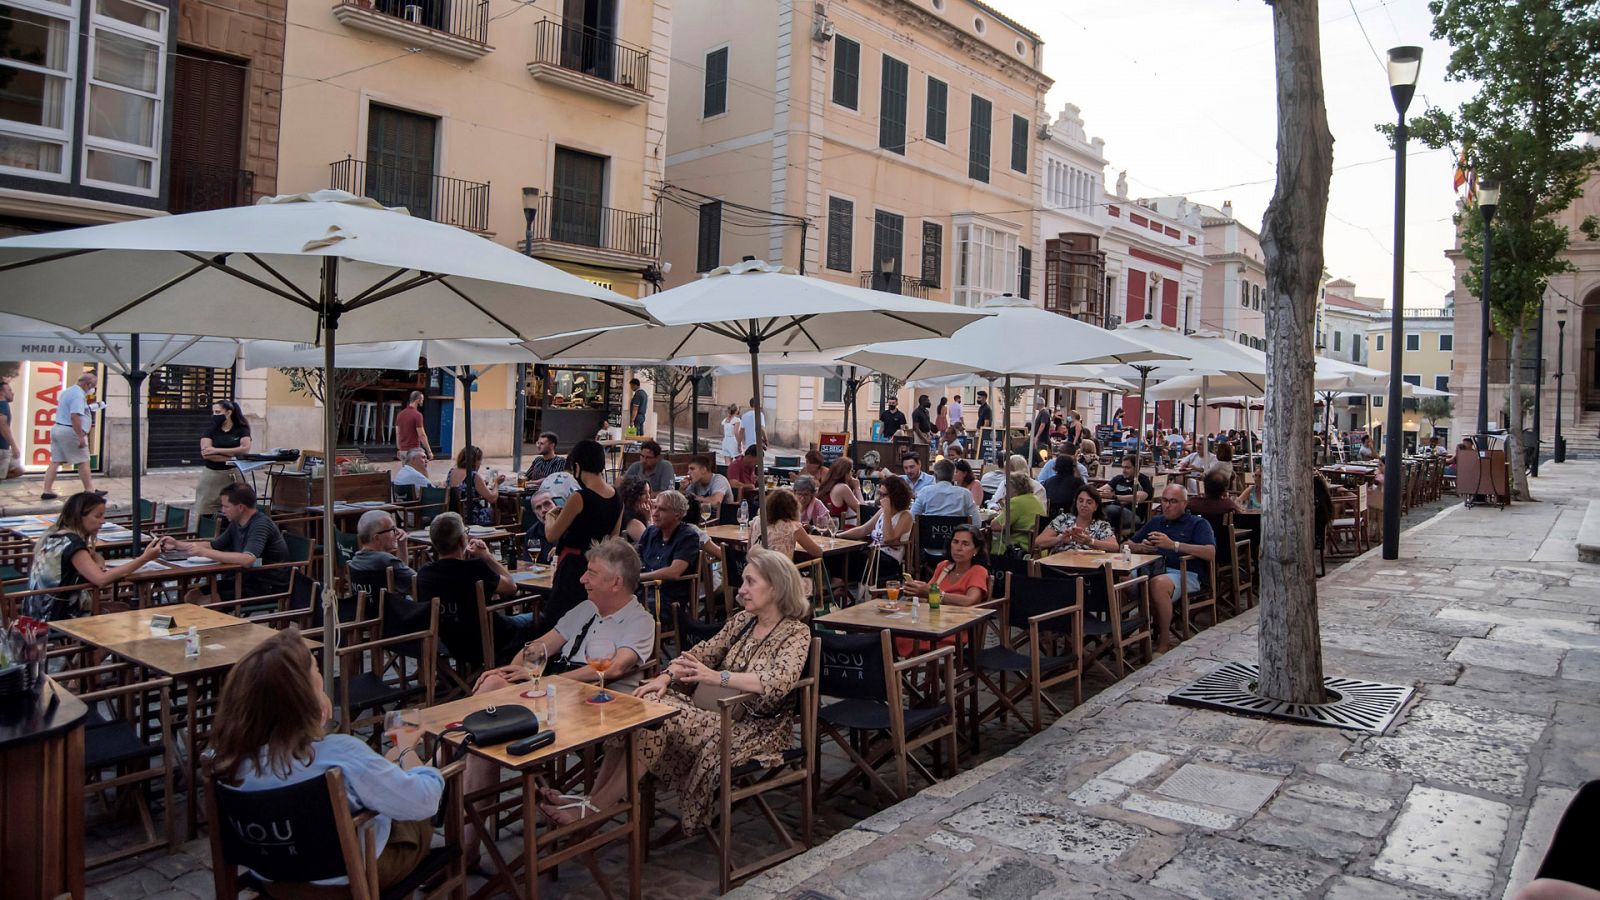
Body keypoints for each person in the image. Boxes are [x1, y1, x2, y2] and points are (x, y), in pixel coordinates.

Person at [536, 548, 810, 834]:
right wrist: (665, 677)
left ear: (776, 588)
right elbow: (700, 653)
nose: (741, 590)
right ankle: (591, 799)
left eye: (750, 582)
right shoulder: (743, 621)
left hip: (753, 730)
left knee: (658, 719)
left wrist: (719, 677)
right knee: (641, 704)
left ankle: (595, 809)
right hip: (713, 714)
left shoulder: (795, 633)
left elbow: (780, 681)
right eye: (742, 581)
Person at [209, 628, 444, 892]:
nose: (322, 678)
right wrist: (416, 761)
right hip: (349, 881)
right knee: (413, 811)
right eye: (317, 671)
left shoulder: (228, 763)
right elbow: (425, 802)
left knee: (382, 787)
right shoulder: (340, 753)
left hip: (276, 882)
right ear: (303, 693)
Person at [25, 492, 164, 620]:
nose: (102, 521)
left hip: (36, 609)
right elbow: (101, 580)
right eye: (98, 516)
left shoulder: (54, 534)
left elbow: (94, 558)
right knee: (129, 614)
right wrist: (144, 558)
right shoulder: (73, 543)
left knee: (119, 608)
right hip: (58, 614)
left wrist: (97, 560)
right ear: (79, 517)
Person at [417, 511, 526, 664]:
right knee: (538, 619)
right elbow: (511, 587)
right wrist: (487, 556)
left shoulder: (424, 573)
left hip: (444, 641)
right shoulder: (475, 569)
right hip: (485, 638)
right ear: (463, 540)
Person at [541, 438, 622, 632]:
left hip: (572, 568)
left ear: (577, 466)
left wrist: (550, 516)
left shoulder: (579, 497)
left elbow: (552, 535)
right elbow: (614, 540)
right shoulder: (617, 497)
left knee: (557, 623)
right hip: (598, 569)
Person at [164, 483, 291, 604]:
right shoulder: (237, 522)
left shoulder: (260, 525)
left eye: (226, 506)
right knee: (191, 596)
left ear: (240, 507)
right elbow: (214, 545)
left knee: (206, 602)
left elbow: (248, 559)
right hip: (242, 579)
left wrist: (205, 553)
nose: (222, 510)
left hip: (266, 585)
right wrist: (177, 544)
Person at [1130, 484, 1216, 653]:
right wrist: (1141, 547)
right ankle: (1123, 637)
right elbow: (1127, 543)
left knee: (1158, 584)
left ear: (1185, 503)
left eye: (1173, 501)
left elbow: (1210, 552)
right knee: (1121, 579)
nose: (1167, 505)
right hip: (1150, 569)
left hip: (1184, 573)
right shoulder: (1156, 521)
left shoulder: (1198, 523)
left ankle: (1163, 643)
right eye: (1164, 500)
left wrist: (1174, 545)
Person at [636, 489, 702, 613]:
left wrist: (640, 577)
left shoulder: (688, 536)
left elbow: (674, 572)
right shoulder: (651, 532)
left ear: (677, 514)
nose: (655, 513)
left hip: (668, 598)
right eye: (654, 507)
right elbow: (634, 559)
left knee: (630, 610)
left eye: (662, 509)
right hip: (644, 591)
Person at [40, 369, 100, 500]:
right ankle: (90, 490)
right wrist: (80, 436)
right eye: (94, 386)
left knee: (55, 461)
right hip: (69, 430)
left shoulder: (67, 391)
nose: (94, 389)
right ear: (87, 385)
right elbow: (74, 416)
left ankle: (47, 490)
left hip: (58, 428)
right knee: (83, 461)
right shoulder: (78, 395)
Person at [840, 475, 913, 582]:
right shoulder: (882, 511)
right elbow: (863, 530)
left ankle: (839, 586)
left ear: (895, 495)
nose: (881, 498)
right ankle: (836, 586)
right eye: (880, 494)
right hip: (872, 553)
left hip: (888, 560)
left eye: (885, 495)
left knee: (845, 559)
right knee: (836, 555)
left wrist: (887, 511)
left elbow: (888, 539)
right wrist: (837, 535)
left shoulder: (906, 515)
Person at [905, 525, 988, 606]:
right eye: (955, 542)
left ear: (976, 550)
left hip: (961, 617)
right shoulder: (944, 565)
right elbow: (928, 594)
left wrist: (936, 594)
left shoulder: (978, 571)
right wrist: (917, 591)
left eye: (965, 544)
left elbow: (970, 601)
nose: (958, 548)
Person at [195, 399, 251, 520]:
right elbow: (206, 454)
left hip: (234, 475)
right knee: (206, 509)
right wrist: (233, 456)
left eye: (218, 412)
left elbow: (245, 449)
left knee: (238, 507)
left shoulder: (241, 429)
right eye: (213, 412)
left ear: (228, 412)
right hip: (212, 475)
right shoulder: (210, 430)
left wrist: (216, 450)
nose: (215, 415)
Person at [348, 510, 416, 602]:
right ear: (377, 538)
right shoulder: (386, 560)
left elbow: (401, 574)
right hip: (394, 614)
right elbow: (418, 582)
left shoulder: (355, 560)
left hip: (369, 614)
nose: (396, 533)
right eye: (392, 529)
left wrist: (402, 545)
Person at [1036, 485, 1119, 553]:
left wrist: (1090, 542)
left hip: (1088, 568)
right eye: (1080, 501)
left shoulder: (1102, 525)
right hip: (1059, 567)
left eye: (1089, 502)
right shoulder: (1063, 519)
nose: (1084, 505)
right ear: (1076, 503)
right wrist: (1060, 539)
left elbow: (1114, 547)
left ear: (1096, 507)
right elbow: (1038, 542)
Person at [750, 488, 824, 559]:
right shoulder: (793, 527)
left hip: (754, 567)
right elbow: (817, 552)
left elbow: (749, 548)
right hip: (780, 570)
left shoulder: (757, 521)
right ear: (793, 508)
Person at [909, 459, 980, 526]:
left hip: (929, 537)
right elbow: (977, 524)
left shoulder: (924, 492)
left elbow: (911, 518)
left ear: (935, 475)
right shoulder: (965, 494)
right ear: (953, 476)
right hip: (956, 536)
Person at [993, 472, 1047, 556]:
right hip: (1033, 544)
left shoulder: (1016, 501)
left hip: (1018, 546)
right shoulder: (1035, 498)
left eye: (1007, 486)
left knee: (985, 536)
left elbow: (996, 526)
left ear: (1014, 487)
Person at [447, 445, 501, 527]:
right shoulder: (473, 476)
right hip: (471, 516)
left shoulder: (451, 472)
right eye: (480, 460)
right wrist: (497, 483)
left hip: (453, 514)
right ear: (475, 461)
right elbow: (492, 498)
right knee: (497, 511)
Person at [1100, 456, 1154, 534]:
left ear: (1136, 468)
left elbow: (1139, 497)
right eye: (1123, 467)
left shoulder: (1143, 480)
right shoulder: (1119, 478)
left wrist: (1114, 497)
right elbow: (1103, 489)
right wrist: (1099, 493)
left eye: (1127, 468)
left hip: (1133, 515)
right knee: (1097, 508)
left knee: (1109, 510)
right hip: (1116, 512)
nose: (1124, 471)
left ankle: (1103, 533)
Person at [683, 454, 732, 520]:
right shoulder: (695, 482)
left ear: (703, 469)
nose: (688, 472)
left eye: (692, 469)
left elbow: (716, 502)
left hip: (721, 520)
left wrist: (694, 498)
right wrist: (682, 488)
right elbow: (682, 501)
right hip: (701, 519)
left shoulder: (719, 480)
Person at [818, 458, 861, 528]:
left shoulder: (825, 486)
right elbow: (862, 510)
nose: (852, 474)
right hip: (838, 529)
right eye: (851, 471)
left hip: (824, 528)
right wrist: (857, 488)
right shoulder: (842, 488)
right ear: (846, 473)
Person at [394, 389, 431, 462]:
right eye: (422, 400)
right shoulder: (417, 415)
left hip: (403, 450)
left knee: (406, 471)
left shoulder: (400, 414)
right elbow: (421, 435)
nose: (422, 401)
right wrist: (429, 451)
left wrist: (399, 448)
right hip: (414, 451)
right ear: (417, 400)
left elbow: (398, 432)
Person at [521, 491, 557, 565]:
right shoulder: (532, 533)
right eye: (538, 507)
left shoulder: (571, 525)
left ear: (555, 504)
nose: (543, 510)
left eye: (547, 504)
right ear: (535, 513)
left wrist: (562, 550)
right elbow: (528, 564)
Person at [617, 476, 653, 542]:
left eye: (649, 492)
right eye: (644, 493)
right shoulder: (631, 520)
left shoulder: (640, 513)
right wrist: (649, 518)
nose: (648, 496)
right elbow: (651, 543)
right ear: (634, 496)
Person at [0, 377, 17, 480]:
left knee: (18, 470)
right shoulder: (2, 405)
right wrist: (14, 446)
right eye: (9, 390)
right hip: (2, 448)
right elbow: (2, 425)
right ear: (2, 392)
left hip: (4, 448)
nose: (12, 393)